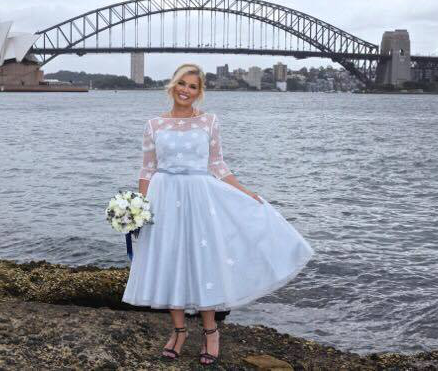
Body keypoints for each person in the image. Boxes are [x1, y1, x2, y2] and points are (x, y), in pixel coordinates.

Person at [122, 63, 314, 365]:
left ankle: (211, 331)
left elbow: (217, 166)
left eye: (193, 86)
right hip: (165, 196)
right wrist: (139, 208)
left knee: (203, 261)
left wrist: (245, 192)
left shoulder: (209, 122)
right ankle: (180, 330)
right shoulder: (154, 125)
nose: (186, 90)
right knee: (171, 260)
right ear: (173, 85)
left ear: (199, 92)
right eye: (182, 83)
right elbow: (147, 169)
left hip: (199, 197)